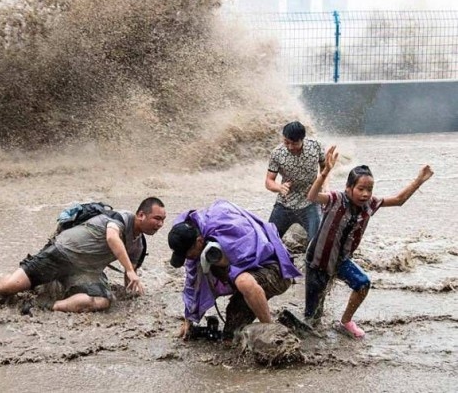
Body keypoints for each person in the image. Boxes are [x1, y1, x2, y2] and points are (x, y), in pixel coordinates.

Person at [305, 146, 434, 338]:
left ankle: (346, 321)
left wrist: (418, 181)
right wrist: (324, 173)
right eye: (361, 189)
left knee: (363, 283)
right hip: (318, 261)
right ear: (348, 189)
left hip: (341, 261)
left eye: (369, 189)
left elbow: (399, 200)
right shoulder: (335, 199)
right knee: (313, 319)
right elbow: (312, 196)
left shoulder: (371, 204)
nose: (365, 194)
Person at [0, 197, 166, 312]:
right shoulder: (121, 218)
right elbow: (112, 237)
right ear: (141, 215)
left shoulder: (139, 246)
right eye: (157, 219)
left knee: (102, 301)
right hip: (60, 253)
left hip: (84, 272)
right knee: (5, 289)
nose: (160, 224)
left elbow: (131, 280)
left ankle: (48, 305)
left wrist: (135, 297)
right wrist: (129, 269)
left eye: (163, 220)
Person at [167, 199, 302, 339]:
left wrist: (227, 261)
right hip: (247, 279)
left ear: (199, 241)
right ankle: (287, 323)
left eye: (188, 254)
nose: (188, 258)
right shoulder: (195, 243)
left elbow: (259, 251)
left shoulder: (228, 226)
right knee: (230, 336)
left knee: (243, 281)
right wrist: (189, 319)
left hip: (275, 269)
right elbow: (192, 284)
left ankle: (272, 333)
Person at [265, 121, 326, 244]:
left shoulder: (316, 147)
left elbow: (325, 169)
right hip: (285, 203)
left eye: (295, 143)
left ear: (302, 139)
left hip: (310, 202)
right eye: (287, 142)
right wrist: (280, 188)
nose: (290, 147)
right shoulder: (277, 153)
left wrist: (323, 187)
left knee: (316, 243)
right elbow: (268, 181)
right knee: (268, 240)